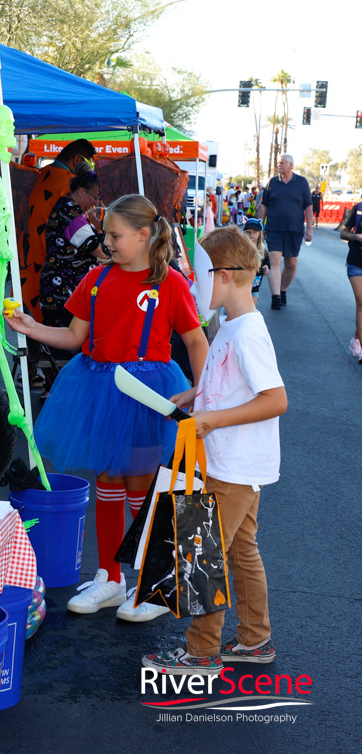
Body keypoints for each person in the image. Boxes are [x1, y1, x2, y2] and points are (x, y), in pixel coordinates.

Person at [4, 194, 208, 621]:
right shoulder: (96, 278)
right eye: (106, 234)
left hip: (148, 395)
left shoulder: (170, 283)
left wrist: (203, 391)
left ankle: (151, 586)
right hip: (99, 389)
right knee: (108, 483)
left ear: (143, 235)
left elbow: (194, 340)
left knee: (140, 488)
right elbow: (75, 336)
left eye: (115, 235)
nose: (107, 241)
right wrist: (31, 326)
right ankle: (111, 578)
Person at [142, 226, 286, 674]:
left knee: (202, 551)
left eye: (199, 275)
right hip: (235, 463)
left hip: (234, 465)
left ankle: (201, 654)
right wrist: (196, 395)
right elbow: (228, 382)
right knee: (242, 551)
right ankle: (255, 640)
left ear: (223, 276)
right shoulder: (231, 325)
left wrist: (211, 419)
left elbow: (275, 399)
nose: (193, 284)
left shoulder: (247, 334)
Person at [24, 139, 97, 321]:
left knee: (30, 324)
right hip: (59, 273)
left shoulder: (40, 174)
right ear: (77, 160)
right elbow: (83, 233)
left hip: (28, 260)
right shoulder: (69, 184)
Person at [38, 166, 109, 326]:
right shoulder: (68, 210)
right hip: (63, 288)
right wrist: (110, 264)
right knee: (65, 341)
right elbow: (92, 245)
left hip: (65, 287)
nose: (95, 202)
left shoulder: (73, 209)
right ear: (82, 191)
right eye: (94, 197)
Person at [256, 154, 314, 310]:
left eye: (282, 163)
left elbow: (308, 206)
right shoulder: (272, 182)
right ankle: (276, 297)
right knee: (275, 261)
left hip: (294, 230)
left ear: (291, 165)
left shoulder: (301, 182)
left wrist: (309, 228)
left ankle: (282, 290)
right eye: (278, 163)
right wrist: (259, 226)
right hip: (274, 228)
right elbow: (264, 206)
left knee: (291, 264)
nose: (279, 165)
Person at [339, 200, 362, 362]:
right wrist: (356, 236)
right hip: (356, 262)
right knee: (361, 303)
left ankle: (357, 340)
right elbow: (343, 233)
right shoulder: (359, 208)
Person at [243, 218, 269, 307]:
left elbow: (267, 265)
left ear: (259, 234)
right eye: (248, 231)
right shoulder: (239, 249)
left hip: (254, 287)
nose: (251, 234)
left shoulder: (263, 251)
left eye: (254, 232)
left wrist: (265, 269)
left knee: (251, 309)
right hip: (239, 285)